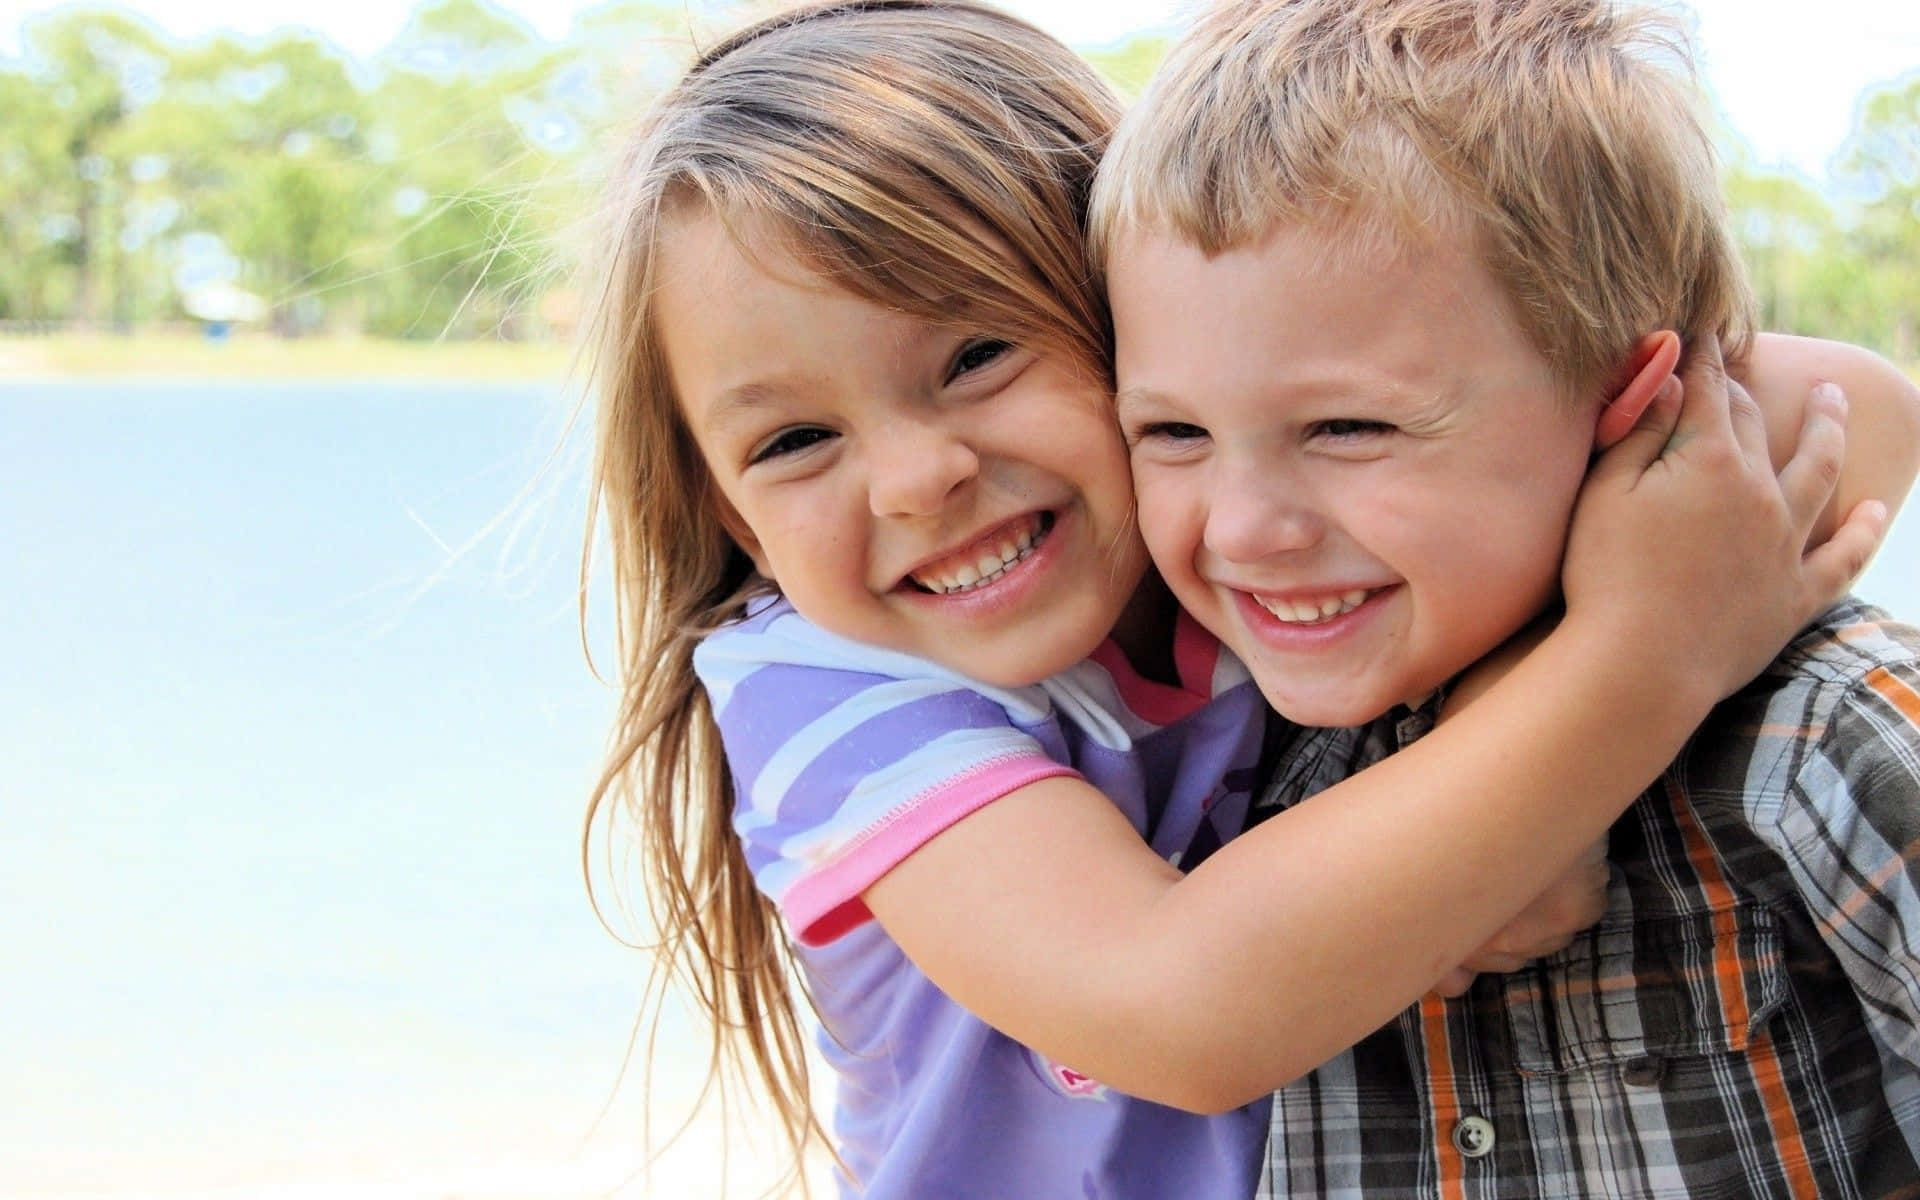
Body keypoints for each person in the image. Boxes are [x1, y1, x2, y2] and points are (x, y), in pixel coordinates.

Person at [578, 2, 1900, 1196]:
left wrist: (1507, 703)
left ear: (1121, 316)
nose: (924, 479)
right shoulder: (829, 687)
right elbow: (1181, 1015)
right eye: (792, 442)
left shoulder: (1218, 532)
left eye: (975, 356)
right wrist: (1624, 666)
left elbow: (1864, 410)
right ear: (719, 505)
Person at [1093, 0, 1920, 1194]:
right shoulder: (1221, 751)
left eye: (1348, 426)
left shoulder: (1830, 741)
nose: (1241, 530)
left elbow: (1861, 410)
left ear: (1639, 402)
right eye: (1172, 430)